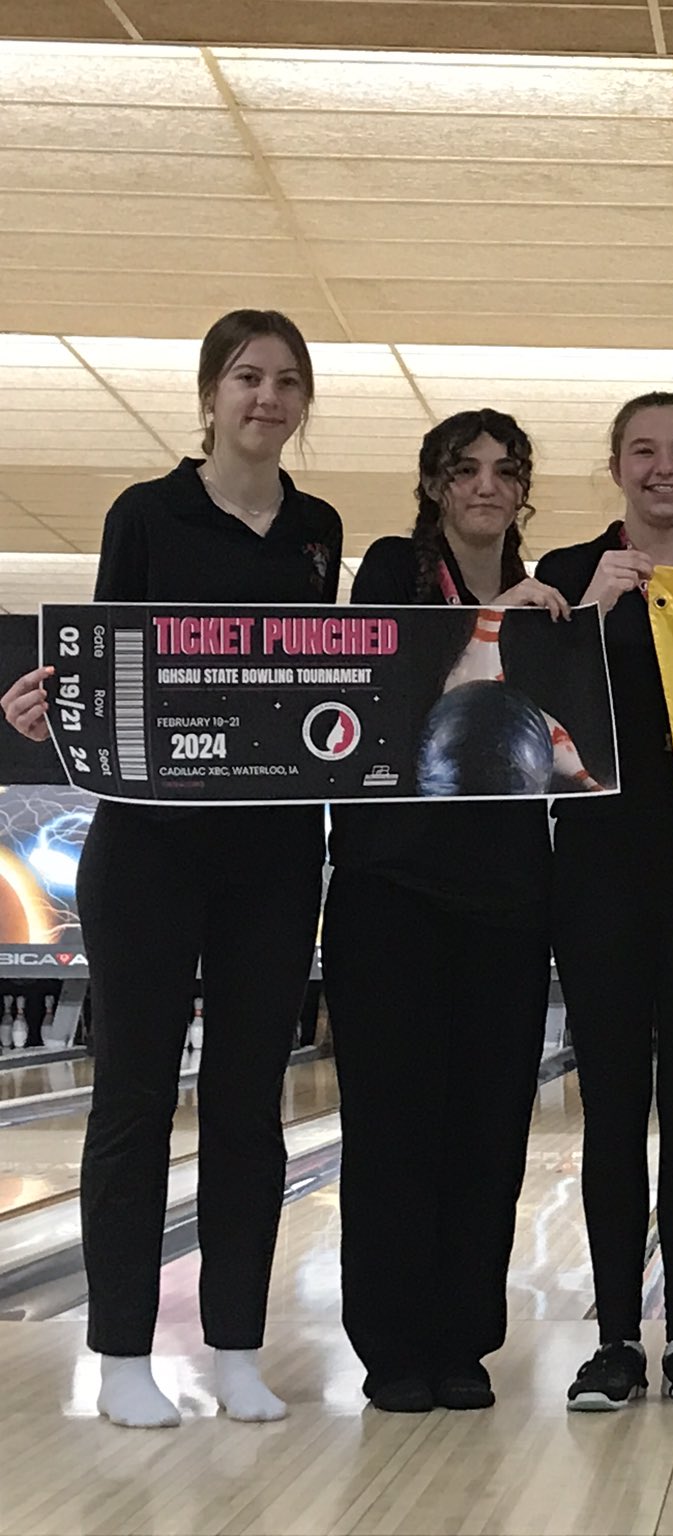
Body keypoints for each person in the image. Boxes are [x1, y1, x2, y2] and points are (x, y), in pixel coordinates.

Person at [1, 309, 340, 1428]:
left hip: (274, 851)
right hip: (148, 848)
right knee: (135, 1104)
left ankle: (237, 1346)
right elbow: (101, 657)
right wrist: (51, 709)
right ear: (209, 395)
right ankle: (120, 1354)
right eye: (248, 378)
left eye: (288, 382)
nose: (268, 399)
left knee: (250, 1107)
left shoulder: (318, 528)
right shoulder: (146, 513)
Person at [323, 409, 569, 1414]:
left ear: (521, 491)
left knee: (485, 1129)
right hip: (391, 893)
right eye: (464, 470)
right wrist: (497, 616)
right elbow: (391, 693)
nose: (485, 486)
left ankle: (463, 1340)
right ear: (432, 484)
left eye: (504, 472)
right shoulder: (389, 570)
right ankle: (390, 1348)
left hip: (508, 896)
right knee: (394, 1129)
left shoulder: (550, 596)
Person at [533, 391, 673, 1413]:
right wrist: (591, 616)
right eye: (642, 452)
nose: (663, 468)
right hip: (599, 878)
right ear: (615, 465)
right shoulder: (564, 582)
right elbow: (524, 733)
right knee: (614, 1110)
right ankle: (616, 1336)